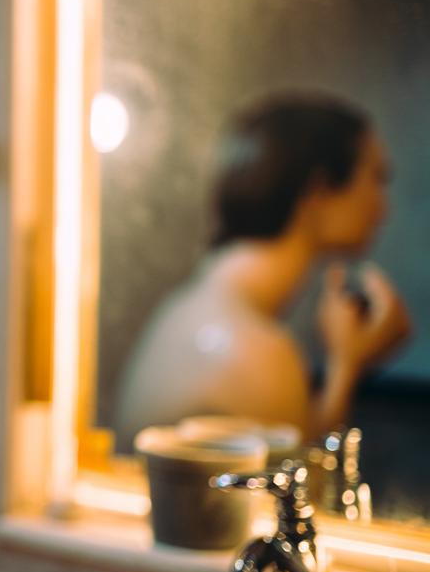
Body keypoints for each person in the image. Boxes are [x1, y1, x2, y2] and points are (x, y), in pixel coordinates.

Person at [114, 91, 411, 446]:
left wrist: (347, 361)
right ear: (318, 191)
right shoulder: (252, 350)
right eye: (376, 178)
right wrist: (347, 368)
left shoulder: (200, 305)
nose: (384, 208)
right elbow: (296, 495)